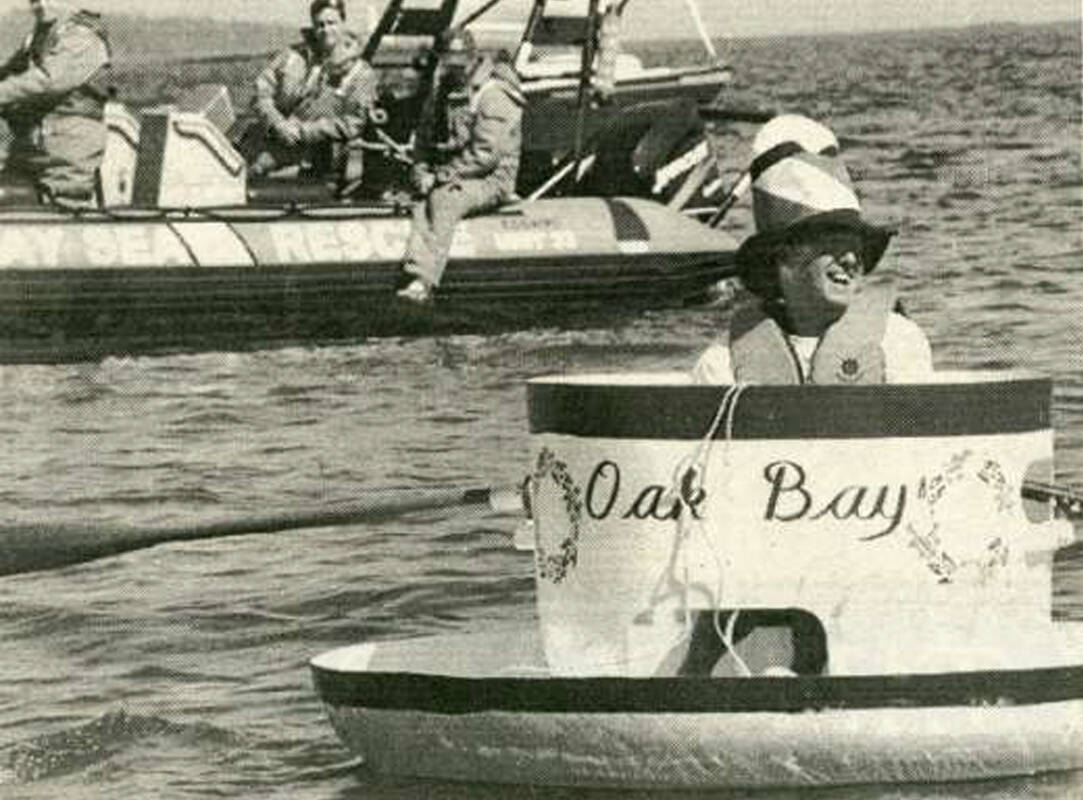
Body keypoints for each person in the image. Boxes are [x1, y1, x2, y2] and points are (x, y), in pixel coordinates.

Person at [692, 115, 933, 385]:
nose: (851, 258)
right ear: (782, 258)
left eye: (855, 245)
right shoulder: (721, 363)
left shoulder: (899, 343)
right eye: (832, 243)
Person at [396, 31, 526, 304]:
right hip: (453, 171)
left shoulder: (493, 94)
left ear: (471, 56)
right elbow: (423, 138)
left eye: (458, 59)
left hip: (492, 177)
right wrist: (420, 172)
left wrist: (440, 176)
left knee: (444, 200)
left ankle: (424, 280)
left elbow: (486, 154)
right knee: (418, 201)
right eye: (447, 59)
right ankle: (411, 270)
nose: (453, 66)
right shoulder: (442, 90)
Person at [243, 0, 378, 192]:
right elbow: (260, 93)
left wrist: (303, 131)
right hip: (268, 149)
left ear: (343, 23)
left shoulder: (360, 73)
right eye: (320, 24)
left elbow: (354, 122)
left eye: (332, 23)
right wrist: (278, 123)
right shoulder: (291, 57)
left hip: (320, 163)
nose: (325, 30)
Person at [0, 0, 111, 203]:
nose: (39, 5)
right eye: (33, 0)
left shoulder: (82, 36)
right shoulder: (40, 36)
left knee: (61, 209)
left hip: (65, 155)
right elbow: (10, 73)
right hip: (30, 149)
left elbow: (46, 81)